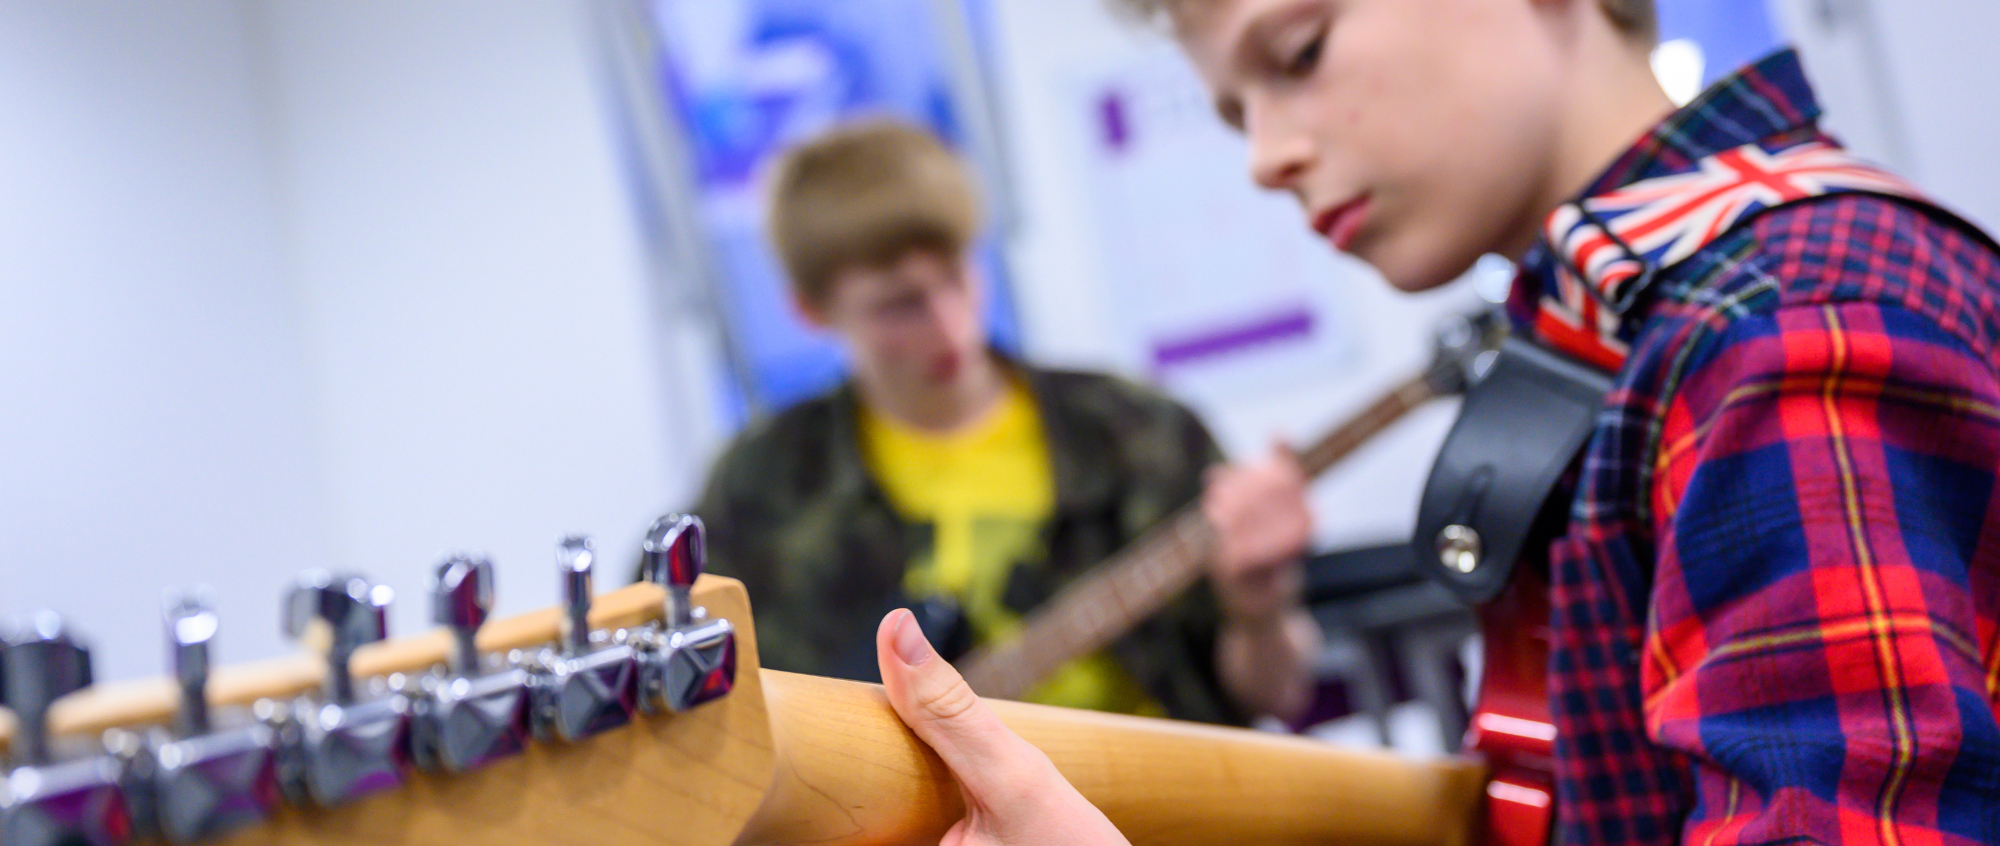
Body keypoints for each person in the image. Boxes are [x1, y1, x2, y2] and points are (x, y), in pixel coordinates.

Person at [870, 0, 2000, 844]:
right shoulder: (1625, 329)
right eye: (1232, 111)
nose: (1264, 157)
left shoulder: (1776, 333)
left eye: (1300, 54)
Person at [692, 119, 1321, 725]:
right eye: (899, 305)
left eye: (958, 276)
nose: (950, 326)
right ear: (811, 310)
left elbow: (1279, 696)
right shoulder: (762, 487)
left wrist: (1260, 612)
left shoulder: (1136, 429)